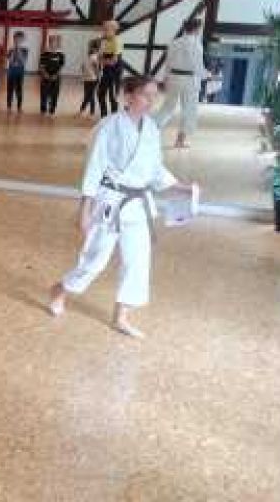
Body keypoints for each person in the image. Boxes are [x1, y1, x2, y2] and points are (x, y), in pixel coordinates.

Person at [47, 77, 199, 338]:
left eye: (154, 95)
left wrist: (181, 187)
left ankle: (121, 316)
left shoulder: (151, 129)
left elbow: (155, 169)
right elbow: (94, 167)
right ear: (128, 96)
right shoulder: (109, 127)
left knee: (138, 261)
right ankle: (60, 289)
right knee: (95, 259)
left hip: (139, 204)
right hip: (111, 201)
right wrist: (85, 209)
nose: (151, 101)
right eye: (145, 95)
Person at [153, 19, 207, 149]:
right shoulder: (196, 44)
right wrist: (207, 75)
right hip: (189, 80)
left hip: (173, 77)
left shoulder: (174, 42)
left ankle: (150, 130)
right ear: (197, 29)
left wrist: (165, 79)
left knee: (168, 107)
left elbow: (168, 63)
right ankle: (180, 141)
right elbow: (197, 65)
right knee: (189, 110)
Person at [97, 20, 123, 115]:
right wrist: (103, 60)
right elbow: (99, 57)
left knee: (113, 96)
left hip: (115, 71)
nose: (103, 31)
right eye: (103, 29)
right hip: (106, 70)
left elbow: (113, 61)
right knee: (100, 93)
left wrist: (103, 60)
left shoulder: (117, 41)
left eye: (106, 29)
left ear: (113, 30)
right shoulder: (103, 41)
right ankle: (104, 115)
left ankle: (114, 116)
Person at [38, 34, 66, 117]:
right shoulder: (44, 54)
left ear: (57, 43)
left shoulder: (61, 55)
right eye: (52, 41)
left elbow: (61, 66)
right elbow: (41, 66)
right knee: (44, 94)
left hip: (56, 78)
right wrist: (45, 74)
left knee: (54, 94)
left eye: (55, 42)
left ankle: (52, 111)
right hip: (45, 77)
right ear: (49, 43)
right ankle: (43, 110)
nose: (53, 43)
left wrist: (56, 75)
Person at [5, 31, 30, 114]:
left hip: (20, 72)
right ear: (14, 39)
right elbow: (10, 61)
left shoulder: (25, 50)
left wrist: (18, 50)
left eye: (19, 39)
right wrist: (13, 51)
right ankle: (9, 107)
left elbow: (23, 61)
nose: (17, 40)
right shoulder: (11, 50)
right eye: (16, 39)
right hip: (11, 72)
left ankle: (19, 107)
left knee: (19, 90)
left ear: (22, 40)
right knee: (10, 90)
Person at [79, 41, 102, 118]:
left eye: (92, 47)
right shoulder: (88, 57)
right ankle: (84, 110)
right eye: (90, 47)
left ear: (95, 49)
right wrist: (84, 74)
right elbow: (83, 67)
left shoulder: (95, 57)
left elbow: (97, 69)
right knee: (88, 95)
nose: (90, 48)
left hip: (93, 79)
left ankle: (89, 111)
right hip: (87, 79)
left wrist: (98, 78)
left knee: (90, 95)